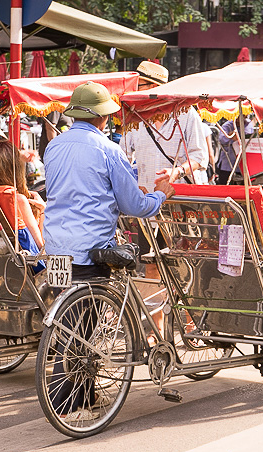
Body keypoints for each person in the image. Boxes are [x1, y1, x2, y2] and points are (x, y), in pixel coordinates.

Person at [44, 81, 175, 422]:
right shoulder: (107, 149)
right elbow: (135, 205)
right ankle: (63, 399)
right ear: (103, 118)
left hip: (57, 246)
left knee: (73, 324)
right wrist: (161, 194)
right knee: (81, 328)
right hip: (90, 248)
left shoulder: (54, 146)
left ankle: (83, 393)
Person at [120, 61, 209, 193]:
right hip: (148, 196)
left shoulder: (186, 113)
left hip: (181, 195)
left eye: (139, 85)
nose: (134, 90)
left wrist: (178, 171)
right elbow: (123, 157)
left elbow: (199, 156)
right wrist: (131, 185)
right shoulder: (135, 117)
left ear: (154, 86)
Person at [0, 139, 45, 252]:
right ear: (16, 170)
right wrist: (44, 210)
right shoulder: (16, 200)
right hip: (23, 265)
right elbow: (42, 248)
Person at [216, 116, 255, 184]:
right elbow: (222, 139)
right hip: (228, 164)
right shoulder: (227, 126)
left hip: (244, 164)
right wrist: (231, 137)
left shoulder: (249, 125)